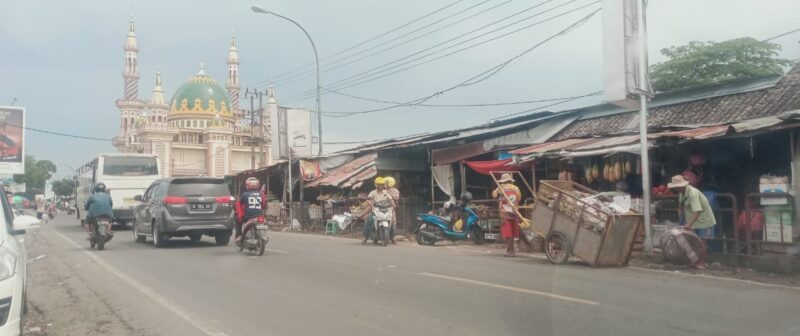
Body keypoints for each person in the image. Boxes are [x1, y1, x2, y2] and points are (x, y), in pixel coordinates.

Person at [668, 175, 717, 269]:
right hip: (692, 218)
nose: (676, 189)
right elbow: (681, 204)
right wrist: (680, 211)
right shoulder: (682, 192)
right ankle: (694, 261)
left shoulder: (693, 193)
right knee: (693, 241)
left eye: (676, 187)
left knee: (701, 241)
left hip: (703, 219)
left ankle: (701, 263)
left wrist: (689, 224)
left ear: (681, 186)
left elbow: (697, 211)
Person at [492, 173, 522, 257]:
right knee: (513, 231)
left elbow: (494, 195)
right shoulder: (516, 188)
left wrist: (498, 189)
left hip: (505, 213)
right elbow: (519, 198)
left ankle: (510, 251)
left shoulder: (501, 188)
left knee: (508, 233)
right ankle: (510, 250)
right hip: (514, 212)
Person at [362, 177, 395, 245]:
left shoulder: (386, 192)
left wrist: (393, 204)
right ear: (376, 185)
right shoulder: (373, 192)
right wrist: (369, 202)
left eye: (382, 184)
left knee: (393, 221)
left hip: (385, 209)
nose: (380, 186)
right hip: (376, 210)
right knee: (370, 220)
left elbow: (391, 199)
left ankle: (392, 238)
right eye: (379, 184)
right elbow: (368, 199)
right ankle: (365, 238)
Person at [236, 177, 266, 244]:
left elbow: (239, 204)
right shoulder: (262, 194)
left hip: (249, 216)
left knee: (238, 220)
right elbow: (263, 205)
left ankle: (239, 236)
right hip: (260, 215)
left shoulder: (245, 194)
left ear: (247, 185)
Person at [385, 176, 400, 244]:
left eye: (386, 183)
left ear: (390, 183)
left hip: (391, 209)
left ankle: (392, 238)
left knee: (393, 222)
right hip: (381, 207)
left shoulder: (395, 191)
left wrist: (389, 194)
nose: (384, 184)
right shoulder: (383, 190)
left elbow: (396, 198)